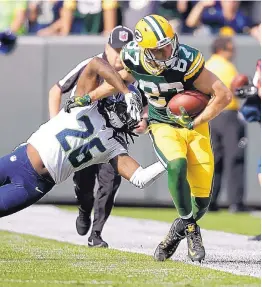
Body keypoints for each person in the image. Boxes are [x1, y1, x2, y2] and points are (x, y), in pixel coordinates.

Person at [65, 14, 232, 263]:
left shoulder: (187, 60)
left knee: (203, 202)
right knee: (176, 164)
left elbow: (222, 95)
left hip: (195, 126)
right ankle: (189, 228)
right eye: (160, 49)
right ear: (145, 50)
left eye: (169, 45)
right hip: (162, 123)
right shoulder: (132, 57)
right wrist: (89, 97)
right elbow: (119, 82)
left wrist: (196, 121)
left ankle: (178, 229)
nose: (168, 52)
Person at [0, 56, 165, 221]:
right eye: (128, 111)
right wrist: (126, 91)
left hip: (35, 184)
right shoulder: (86, 101)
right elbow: (95, 64)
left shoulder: (114, 145)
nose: (129, 118)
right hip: (19, 161)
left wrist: (169, 160)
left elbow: (140, 178)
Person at [49, 26, 136, 248]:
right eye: (117, 49)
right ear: (107, 46)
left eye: (125, 50)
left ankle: (96, 234)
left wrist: (140, 121)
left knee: (110, 183)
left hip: (112, 136)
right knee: (84, 185)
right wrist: (55, 124)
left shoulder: (135, 71)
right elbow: (56, 89)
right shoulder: (92, 64)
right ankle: (84, 208)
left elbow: (142, 108)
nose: (120, 55)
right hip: (85, 136)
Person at [205, 37, 247, 212]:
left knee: (214, 159)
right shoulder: (226, 66)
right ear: (223, 49)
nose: (234, 52)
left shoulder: (207, 64)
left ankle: (210, 202)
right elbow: (236, 90)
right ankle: (235, 202)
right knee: (235, 158)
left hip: (209, 115)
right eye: (231, 48)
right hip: (228, 114)